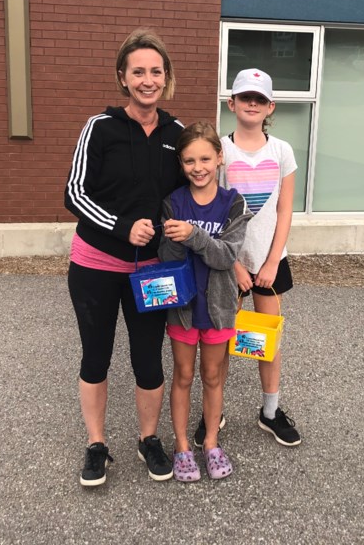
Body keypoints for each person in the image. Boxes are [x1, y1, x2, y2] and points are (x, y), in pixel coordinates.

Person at [63, 28, 186, 487]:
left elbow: (193, 190)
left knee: (148, 360)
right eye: (138, 71)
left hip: (153, 272)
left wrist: (190, 229)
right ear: (123, 76)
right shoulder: (100, 128)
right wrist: (119, 226)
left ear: (166, 77)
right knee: (95, 357)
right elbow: (73, 193)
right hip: (95, 265)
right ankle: (96, 445)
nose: (147, 79)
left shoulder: (177, 133)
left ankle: (148, 439)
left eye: (156, 71)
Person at [194, 68, 303, 448]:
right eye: (245, 97)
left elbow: (286, 210)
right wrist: (235, 264)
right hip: (226, 262)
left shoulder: (282, 151)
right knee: (222, 340)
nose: (252, 104)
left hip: (271, 260)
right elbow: (213, 211)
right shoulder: (221, 151)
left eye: (259, 98)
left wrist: (271, 261)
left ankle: (270, 411)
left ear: (270, 106)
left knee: (264, 337)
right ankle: (213, 411)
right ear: (232, 103)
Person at [158, 122, 252, 482]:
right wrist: (170, 238)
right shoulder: (173, 202)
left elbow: (226, 257)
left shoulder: (233, 203)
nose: (198, 167)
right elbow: (166, 257)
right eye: (189, 161)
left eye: (205, 159)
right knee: (183, 375)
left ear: (219, 158)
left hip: (219, 308)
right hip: (182, 308)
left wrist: (193, 234)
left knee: (213, 376)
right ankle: (182, 447)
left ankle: (211, 441)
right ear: (181, 164)